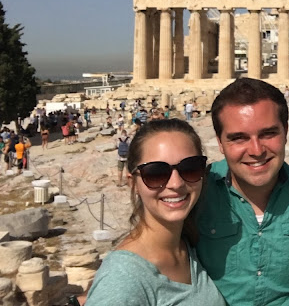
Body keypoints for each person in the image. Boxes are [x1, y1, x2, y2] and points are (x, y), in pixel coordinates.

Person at [197, 78, 289, 306]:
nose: (256, 150)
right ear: (220, 143)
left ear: (286, 131)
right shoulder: (196, 192)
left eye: (268, 134)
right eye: (238, 138)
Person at [86, 119, 224, 305]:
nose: (176, 184)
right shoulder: (123, 277)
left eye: (190, 168)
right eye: (155, 173)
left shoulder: (188, 245)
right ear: (133, 183)